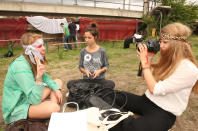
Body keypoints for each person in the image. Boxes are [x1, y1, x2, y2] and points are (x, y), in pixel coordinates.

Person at [110, 23, 198, 131]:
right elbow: (144, 76)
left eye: (165, 42)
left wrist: (144, 62)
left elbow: (155, 89)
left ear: (178, 44)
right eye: (160, 42)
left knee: (131, 128)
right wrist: (149, 58)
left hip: (164, 112)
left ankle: (123, 120)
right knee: (111, 95)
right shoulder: (169, 61)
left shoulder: (189, 69)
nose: (161, 46)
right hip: (146, 101)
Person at [2, 33, 63, 124]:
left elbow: (46, 78)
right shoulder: (20, 66)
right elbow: (34, 99)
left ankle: (48, 111)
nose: (44, 48)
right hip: (17, 107)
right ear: (29, 50)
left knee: (57, 82)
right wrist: (38, 78)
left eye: (43, 45)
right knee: (54, 108)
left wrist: (56, 89)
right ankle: (48, 110)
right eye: (39, 46)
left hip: (30, 96)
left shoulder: (33, 59)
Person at [67, 23, 115, 92]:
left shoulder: (102, 50)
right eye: (85, 37)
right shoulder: (83, 51)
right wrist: (85, 71)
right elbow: (80, 67)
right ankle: (95, 90)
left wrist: (100, 71)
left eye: (89, 38)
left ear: (95, 37)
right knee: (70, 84)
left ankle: (89, 90)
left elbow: (106, 66)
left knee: (111, 84)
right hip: (86, 80)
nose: (86, 40)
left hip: (100, 80)